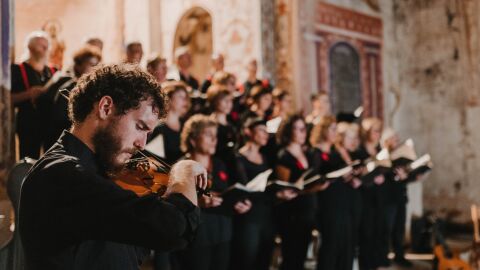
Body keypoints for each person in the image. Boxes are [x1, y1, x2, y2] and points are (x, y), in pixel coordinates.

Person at [19, 64, 207, 270]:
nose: (142, 144)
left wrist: (175, 196)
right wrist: (183, 171)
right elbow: (173, 229)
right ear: (106, 107)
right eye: (140, 127)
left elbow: (126, 248)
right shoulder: (61, 174)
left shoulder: (100, 170)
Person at [174, 114, 251, 270]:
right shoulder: (181, 167)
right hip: (196, 238)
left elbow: (225, 194)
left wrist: (238, 204)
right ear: (193, 139)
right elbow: (173, 204)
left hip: (222, 233)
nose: (214, 140)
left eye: (215, 136)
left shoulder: (220, 164)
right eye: (208, 135)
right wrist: (197, 202)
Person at [309, 115, 356, 270]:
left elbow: (348, 167)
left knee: (346, 243)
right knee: (331, 243)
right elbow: (315, 177)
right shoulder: (315, 152)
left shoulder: (336, 151)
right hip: (328, 203)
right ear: (323, 130)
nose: (336, 132)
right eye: (333, 128)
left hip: (343, 202)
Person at [230, 117, 275, 270]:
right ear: (248, 131)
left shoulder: (265, 157)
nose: (265, 134)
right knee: (246, 260)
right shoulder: (238, 158)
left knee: (264, 259)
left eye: (267, 131)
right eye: (262, 130)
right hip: (248, 215)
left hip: (266, 214)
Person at [274, 114, 317, 270]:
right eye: (298, 129)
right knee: (291, 256)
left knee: (301, 256)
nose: (302, 132)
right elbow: (284, 188)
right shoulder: (283, 155)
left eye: (304, 129)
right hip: (291, 213)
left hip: (307, 210)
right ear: (288, 132)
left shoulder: (307, 152)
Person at [44, 45, 102, 149]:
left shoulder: (94, 89)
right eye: (91, 64)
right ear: (79, 66)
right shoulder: (70, 87)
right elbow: (60, 120)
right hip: (66, 142)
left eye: (97, 64)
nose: (95, 68)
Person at [11, 31, 57, 159]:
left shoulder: (54, 71)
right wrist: (28, 94)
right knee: (28, 161)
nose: (44, 48)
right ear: (30, 47)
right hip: (28, 125)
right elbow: (7, 99)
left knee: (51, 161)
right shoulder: (17, 70)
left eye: (46, 45)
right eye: (40, 45)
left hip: (50, 124)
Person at [148, 81, 190, 164]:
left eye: (186, 97)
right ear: (168, 98)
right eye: (180, 97)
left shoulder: (186, 125)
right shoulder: (159, 128)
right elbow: (151, 160)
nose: (185, 101)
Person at [206, 86, 237, 175]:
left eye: (230, 100)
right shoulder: (209, 124)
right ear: (215, 101)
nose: (228, 104)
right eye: (225, 100)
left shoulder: (231, 125)